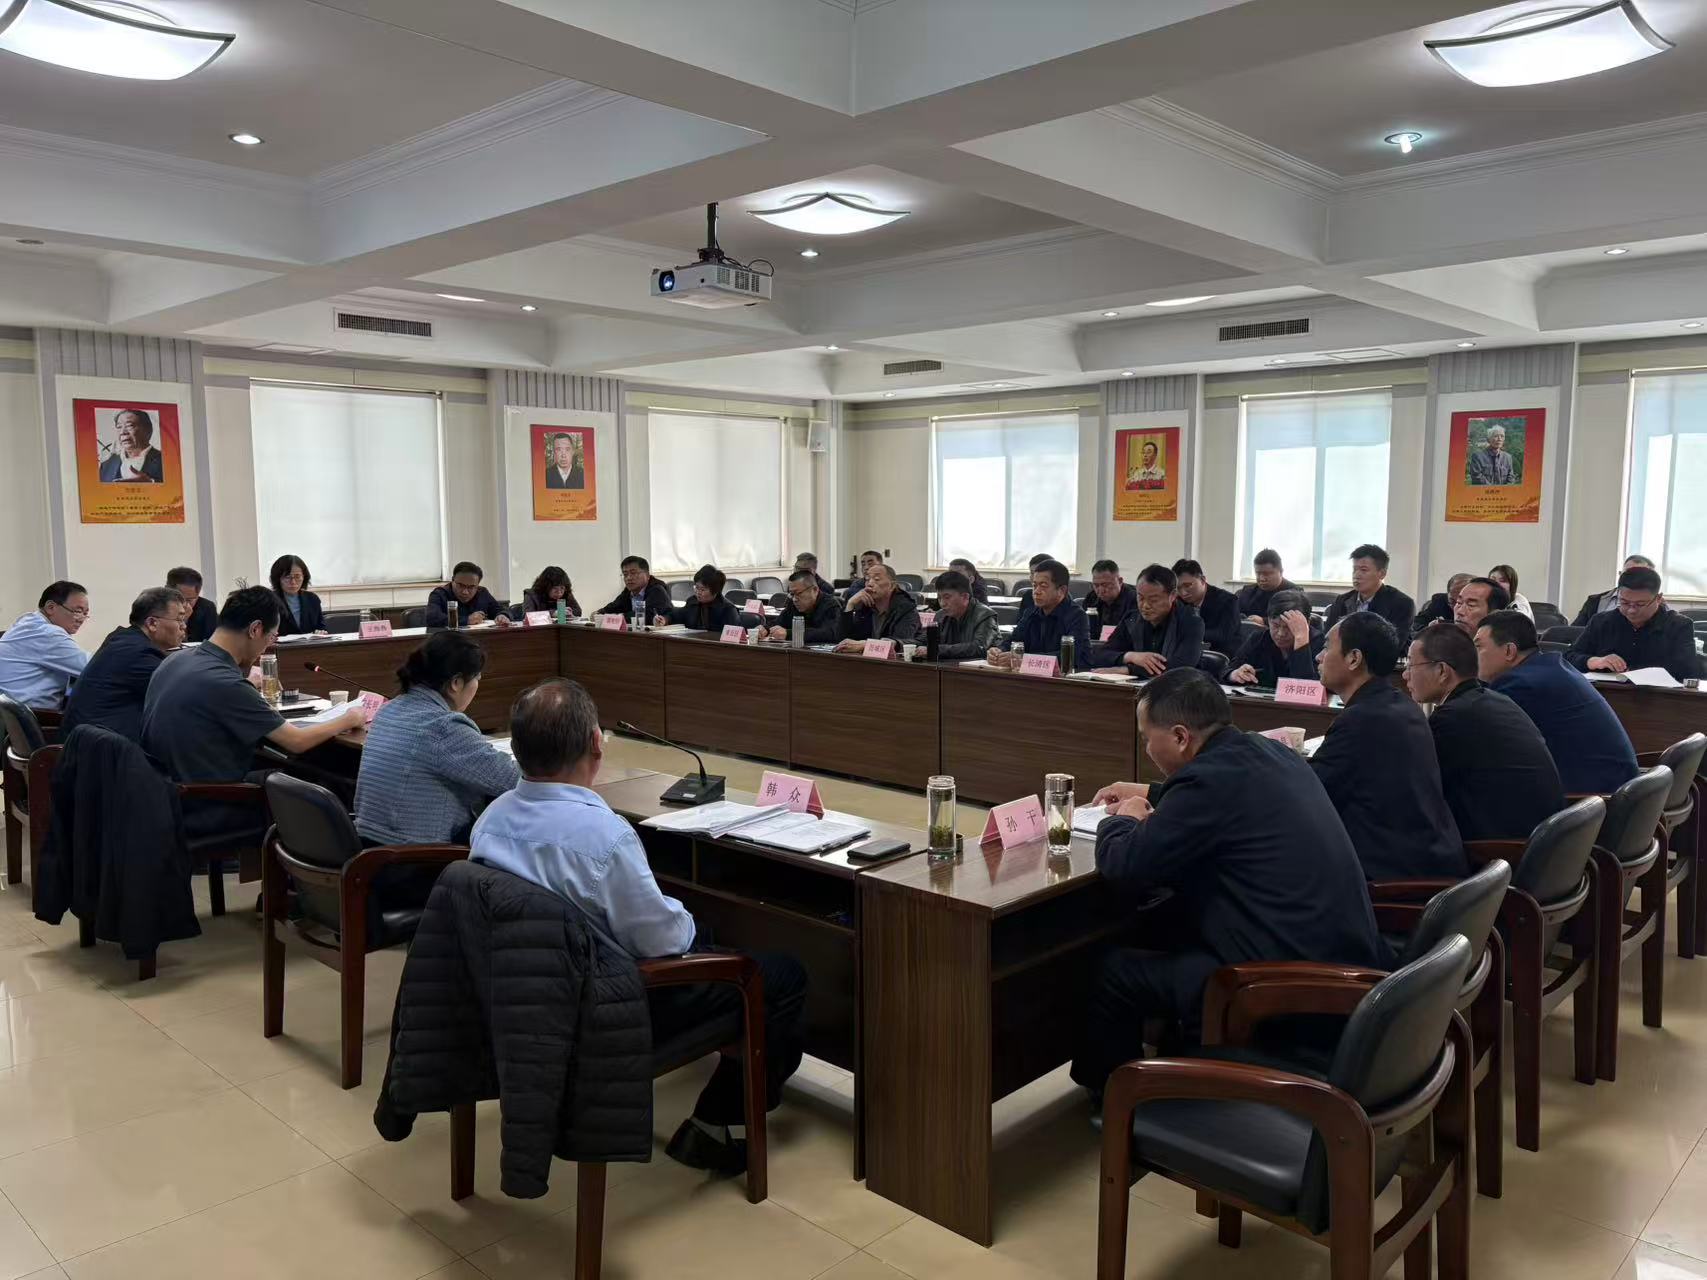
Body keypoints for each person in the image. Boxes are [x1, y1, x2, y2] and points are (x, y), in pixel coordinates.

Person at [470, 678, 806, 1174]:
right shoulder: (602, 835)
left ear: (516, 750)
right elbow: (664, 942)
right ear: (596, 744)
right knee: (779, 975)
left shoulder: (490, 819)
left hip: (522, 999)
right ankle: (715, 1122)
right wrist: (689, 922)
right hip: (606, 1011)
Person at [1070, 669, 1385, 1089]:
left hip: (1285, 984)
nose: (1146, 748)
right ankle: (1178, 1054)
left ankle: (1116, 1101)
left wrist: (1122, 821)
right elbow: (1218, 801)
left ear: (1180, 737)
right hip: (1336, 956)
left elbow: (1126, 865)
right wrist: (1150, 792)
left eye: (1148, 738)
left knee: (1113, 969)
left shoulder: (1207, 781)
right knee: (1162, 920)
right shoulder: (1268, 753)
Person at [142, 587, 366, 837]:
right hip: (209, 804)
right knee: (323, 781)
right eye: (271, 637)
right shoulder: (224, 682)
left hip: (168, 798)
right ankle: (340, 856)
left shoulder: (175, 660)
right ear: (255, 629)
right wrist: (349, 717)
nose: (267, 647)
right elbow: (297, 741)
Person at [1312, 613, 1466, 882]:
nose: (1318, 657)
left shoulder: (1362, 719)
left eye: (1326, 647)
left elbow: (1310, 792)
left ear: (1354, 658)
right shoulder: (1400, 704)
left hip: (1395, 878)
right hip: (1431, 859)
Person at [354, 631, 521, 845]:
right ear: (456, 683)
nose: (477, 685)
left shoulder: (390, 709)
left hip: (369, 847)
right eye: (477, 678)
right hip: (415, 855)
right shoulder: (443, 727)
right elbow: (512, 780)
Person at [1403, 623, 1566, 842]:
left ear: (1442, 671)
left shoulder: (1454, 718)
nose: (1405, 674)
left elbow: (1418, 789)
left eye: (1411, 665)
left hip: (1505, 849)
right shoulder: (1495, 700)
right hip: (1542, 840)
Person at [1475, 610, 1638, 797]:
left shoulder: (1521, 685)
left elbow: (1488, 748)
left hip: (1590, 799)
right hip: (1618, 788)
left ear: (1509, 651)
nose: (1473, 655)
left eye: (1479, 647)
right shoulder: (1551, 666)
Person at [62, 586, 186, 742]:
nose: (184, 626)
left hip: (92, 740)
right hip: (101, 749)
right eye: (179, 619)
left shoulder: (124, 639)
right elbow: (182, 694)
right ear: (152, 623)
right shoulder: (138, 654)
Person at [1566, 565, 1701, 682]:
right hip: (1606, 694)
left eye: (1640, 604)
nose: (1631, 610)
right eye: (1624, 602)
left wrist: (1634, 671)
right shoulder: (1602, 622)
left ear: (1658, 598)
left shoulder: (1679, 625)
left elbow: (1687, 670)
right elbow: (1569, 657)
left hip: (1659, 697)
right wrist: (1593, 661)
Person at [1089, 563, 1203, 677]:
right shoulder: (1132, 619)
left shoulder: (1191, 622)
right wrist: (1130, 656)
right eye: (1141, 598)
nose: (1145, 606)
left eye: (1153, 600)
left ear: (1172, 596)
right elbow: (1101, 655)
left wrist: (1129, 670)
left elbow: (1181, 666)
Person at [0, 581, 92, 710]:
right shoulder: (46, 633)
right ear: (51, 607)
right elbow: (92, 667)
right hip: (33, 716)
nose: (81, 619)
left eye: (85, 613)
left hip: (11, 713)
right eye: (77, 611)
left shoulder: (28, 622)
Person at [989, 559, 1089, 669]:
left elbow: (1070, 656)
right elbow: (1013, 641)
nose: (1036, 591)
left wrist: (1024, 660)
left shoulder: (1077, 616)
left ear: (1062, 590)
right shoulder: (1031, 612)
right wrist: (999, 651)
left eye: (1043, 585)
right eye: (1034, 585)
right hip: (1031, 676)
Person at [1226, 590, 1322, 686]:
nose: (1280, 633)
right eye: (1275, 625)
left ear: (1306, 623)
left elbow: (1308, 687)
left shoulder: (1321, 644)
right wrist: (1234, 674)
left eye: (1288, 627)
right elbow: (1229, 669)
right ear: (1268, 620)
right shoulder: (1260, 638)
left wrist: (1301, 640)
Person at [1322, 544, 1415, 635]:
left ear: (1382, 574)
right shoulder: (1342, 600)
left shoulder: (1401, 604)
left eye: (1364, 570)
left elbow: (1396, 642)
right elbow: (1328, 637)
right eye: (1354, 569)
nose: (1356, 575)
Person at [835, 564, 921, 652]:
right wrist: (850, 604)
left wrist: (865, 645)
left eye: (877, 579)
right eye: (867, 579)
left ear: (892, 586)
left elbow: (898, 644)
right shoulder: (865, 606)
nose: (870, 584)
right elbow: (843, 641)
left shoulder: (906, 608)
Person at [1172, 559, 1240, 655]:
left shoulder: (1228, 601)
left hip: (1220, 654)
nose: (1183, 593)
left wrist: (1189, 633)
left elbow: (1223, 635)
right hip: (1187, 652)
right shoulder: (1177, 601)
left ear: (1203, 580)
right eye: (1178, 588)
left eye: (1187, 585)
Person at [930, 569, 997, 660]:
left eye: (947, 597)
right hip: (947, 666)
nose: (942, 603)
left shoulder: (985, 615)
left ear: (965, 597)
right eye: (939, 598)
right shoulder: (940, 615)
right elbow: (925, 641)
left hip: (975, 667)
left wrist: (937, 650)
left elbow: (979, 647)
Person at [1572, 554, 1654, 626]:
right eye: (1626, 574)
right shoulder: (1594, 601)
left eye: (1638, 575)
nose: (1631, 579)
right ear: (1620, 574)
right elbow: (1575, 631)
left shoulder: (1655, 606)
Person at [767, 570, 842, 644]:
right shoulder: (793, 603)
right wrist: (765, 629)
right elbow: (779, 622)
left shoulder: (831, 605)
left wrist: (789, 634)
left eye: (798, 593)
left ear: (815, 590)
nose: (794, 599)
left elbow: (830, 633)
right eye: (792, 594)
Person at [428, 562, 511, 628]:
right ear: (453, 580)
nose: (465, 592)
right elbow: (432, 619)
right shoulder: (439, 594)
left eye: (471, 587)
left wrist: (503, 616)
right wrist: (467, 620)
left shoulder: (482, 593)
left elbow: (501, 610)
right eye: (461, 585)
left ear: (477, 585)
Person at [662, 564, 743, 632]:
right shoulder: (692, 602)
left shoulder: (728, 609)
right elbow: (676, 615)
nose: (698, 592)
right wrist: (665, 619)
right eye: (696, 587)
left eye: (702, 589)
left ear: (715, 591)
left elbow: (733, 637)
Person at [97, 407, 163, 483]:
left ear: (148, 430)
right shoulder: (106, 465)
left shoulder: (165, 461)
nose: (123, 432)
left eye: (129, 426)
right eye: (119, 427)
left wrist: (151, 482)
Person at [599, 555, 673, 622]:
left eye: (633, 573)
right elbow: (614, 606)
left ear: (647, 575)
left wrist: (617, 617)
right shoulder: (628, 591)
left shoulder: (657, 590)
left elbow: (645, 616)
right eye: (625, 574)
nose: (629, 578)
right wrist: (599, 613)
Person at [1234, 548, 1296, 625]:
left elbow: (1294, 621)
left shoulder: (1295, 594)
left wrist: (1264, 621)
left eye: (1267, 574)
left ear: (1281, 572)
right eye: (1258, 573)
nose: (1262, 579)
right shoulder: (1247, 592)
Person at [270, 554, 326, 636]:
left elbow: (321, 627)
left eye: (297, 576)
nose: (293, 582)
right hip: (280, 644)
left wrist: (321, 632)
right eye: (287, 577)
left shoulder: (312, 599)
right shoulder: (269, 600)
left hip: (309, 643)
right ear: (278, 578)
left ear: (304, 577)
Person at [1082, 559, 1138, 632]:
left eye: (1106, 585)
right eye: (1096, 585)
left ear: (1120, 581)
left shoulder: (1134, 599)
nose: (1101, 590)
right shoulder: (1091, 598)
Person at [167, 566, 219, 642]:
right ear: (167, 590)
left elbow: (211, 642)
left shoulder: (207, 607)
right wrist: (181, 620)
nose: (184, 604)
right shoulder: (158, 608)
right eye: (179, 598)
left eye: (189, 600)